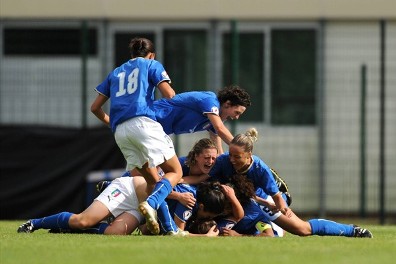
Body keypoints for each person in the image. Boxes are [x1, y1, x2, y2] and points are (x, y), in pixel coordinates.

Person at [90, 37, 182, 235]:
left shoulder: (115, 72)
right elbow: (169, 95)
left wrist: (112, 123)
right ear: (151, 55)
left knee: (152, 180)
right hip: (143, 124)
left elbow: (95, 108)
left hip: (120, 131)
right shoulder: (151, 64)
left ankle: (168, 229)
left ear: (131, 54)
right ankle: (151, 205)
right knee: (175, 171)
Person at [208, 128, 374, 238]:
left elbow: (278, 201)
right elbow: (208, 179)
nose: (232, 159)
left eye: (237, 157)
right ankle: (267, 227)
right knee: (247, 219)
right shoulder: (224, 161)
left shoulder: (259, 169)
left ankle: (352, 230)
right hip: (249, 197)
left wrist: (277, 208)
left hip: (272, 197)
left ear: (249, 154)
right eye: (231, 155)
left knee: (301, 229)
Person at [17, 176, 148, 235]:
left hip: (143, 204)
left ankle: (68, 228)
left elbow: (146, 231)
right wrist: (169, 229)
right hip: (128, 190)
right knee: (83, 221)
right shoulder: (164, 154)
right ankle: (35, 223)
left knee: (116, 232)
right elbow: (136, 169)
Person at [153, 85, 251, 154]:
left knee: (154, 171)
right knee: (173, 170)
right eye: (237, 112)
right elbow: (220, 129)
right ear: (227, 104)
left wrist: (222, 162)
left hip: (156, 131)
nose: (236, 117)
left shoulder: (215, 118)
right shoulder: (210, 100)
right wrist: (240, 147)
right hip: (151, 120)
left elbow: (216, 140)